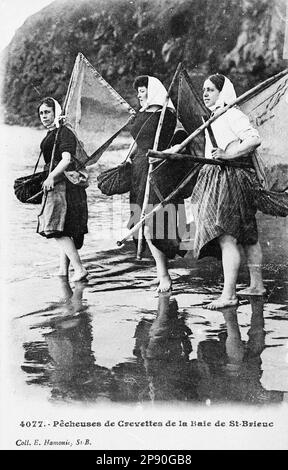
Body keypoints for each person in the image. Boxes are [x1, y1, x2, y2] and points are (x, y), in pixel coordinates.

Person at [177, 74, 265, 309]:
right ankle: (257, 286)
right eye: (203, 90)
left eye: (210, 90)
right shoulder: (214, 117)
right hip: (226, 176)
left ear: (222, 92)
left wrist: (227, 155)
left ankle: (229, 295)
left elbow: (254, 139)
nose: (205, 94)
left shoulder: (231, 114)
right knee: (247, 235)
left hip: (232, 178)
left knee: (228, 237)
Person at [128, 75, 187, 292]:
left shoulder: (166, 114)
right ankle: (161, 272)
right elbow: (139, 140)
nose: (139, 94)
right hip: (139, 168)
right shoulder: (144, 113)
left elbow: (177, 140)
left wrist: (161, 154)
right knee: (142, 220)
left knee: (154, 221)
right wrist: (129, 158)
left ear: (151, 91)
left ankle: (164, 276)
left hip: (157, 168)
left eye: (142, 90)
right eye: (138, 91)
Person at [37, 97, 88, 282]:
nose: (44, 116)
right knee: (62, 227)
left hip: (64, 186)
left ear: (56, 112)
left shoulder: (64, 132)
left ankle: (79, 269)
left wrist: (51, 176)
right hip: (57, 184)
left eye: (47, 112)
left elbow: (66, 159)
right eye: (41, 113)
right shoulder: (53, 133)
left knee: (56, 229)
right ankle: (63, 270)